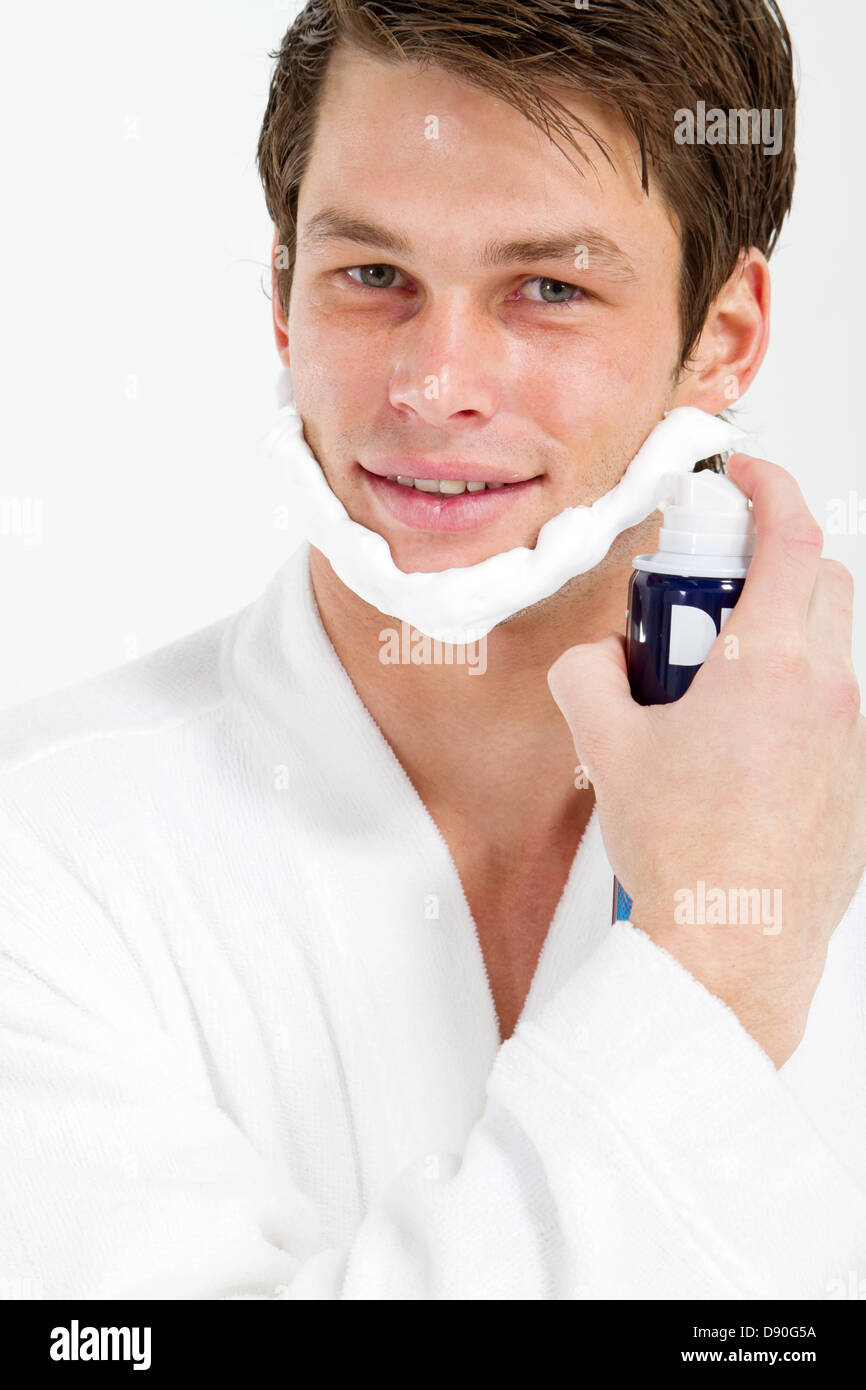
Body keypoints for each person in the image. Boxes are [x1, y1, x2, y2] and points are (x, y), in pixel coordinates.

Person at [1, 0, 864, 1301]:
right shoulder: (40, 858)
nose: (433, 383)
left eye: (549, 288)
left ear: (722, 335)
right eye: (371, 275)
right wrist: (711, 974)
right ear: (282, 301)